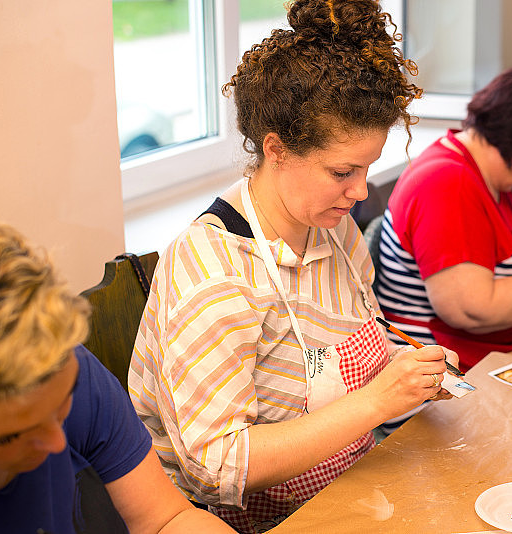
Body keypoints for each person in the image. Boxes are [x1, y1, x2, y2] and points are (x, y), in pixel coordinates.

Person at [128, 1, 458, 532]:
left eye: (368, 168)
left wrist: (412, 372)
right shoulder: (216, 275)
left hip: (345, 486)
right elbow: (217, 467)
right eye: (342, 171)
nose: (361, 191)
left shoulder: (332, 228)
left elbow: (347, 353)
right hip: (236, 520)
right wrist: (377, 402)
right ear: (276, 149)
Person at [0, 223, 235, 534]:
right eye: (14, 434)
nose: (58, 442)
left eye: (62, 405)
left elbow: (166, 521)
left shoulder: (69, 371)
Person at [375, 65, 512, 373]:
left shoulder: (480, 173)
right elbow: (472, 309)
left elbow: (487, 232)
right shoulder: (447, 184)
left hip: (488, 356)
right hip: (445, 377)